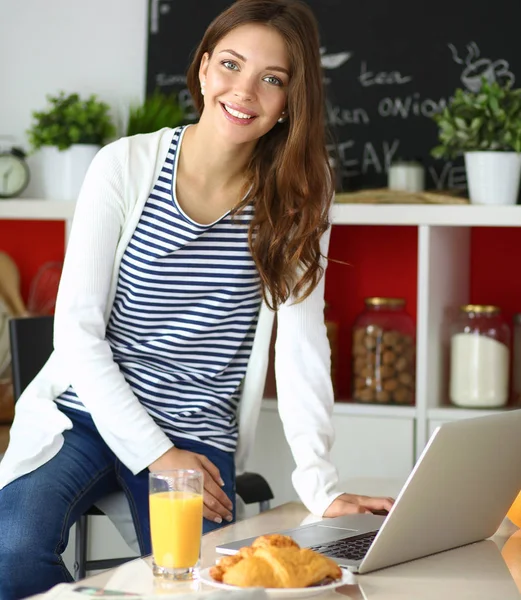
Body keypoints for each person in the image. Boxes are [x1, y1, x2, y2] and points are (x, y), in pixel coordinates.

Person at [0, 0, 394, 598]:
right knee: (10, 548)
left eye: (272, 79)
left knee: (200, 583)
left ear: (292, 100)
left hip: (196, 434)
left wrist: (321, 486)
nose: (244, 91)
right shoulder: (124, 167)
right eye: (231, 65)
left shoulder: (297, 199)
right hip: (87, 414)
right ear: (204, 68)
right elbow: (77, 334)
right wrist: (155, 455)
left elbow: (302, 350)